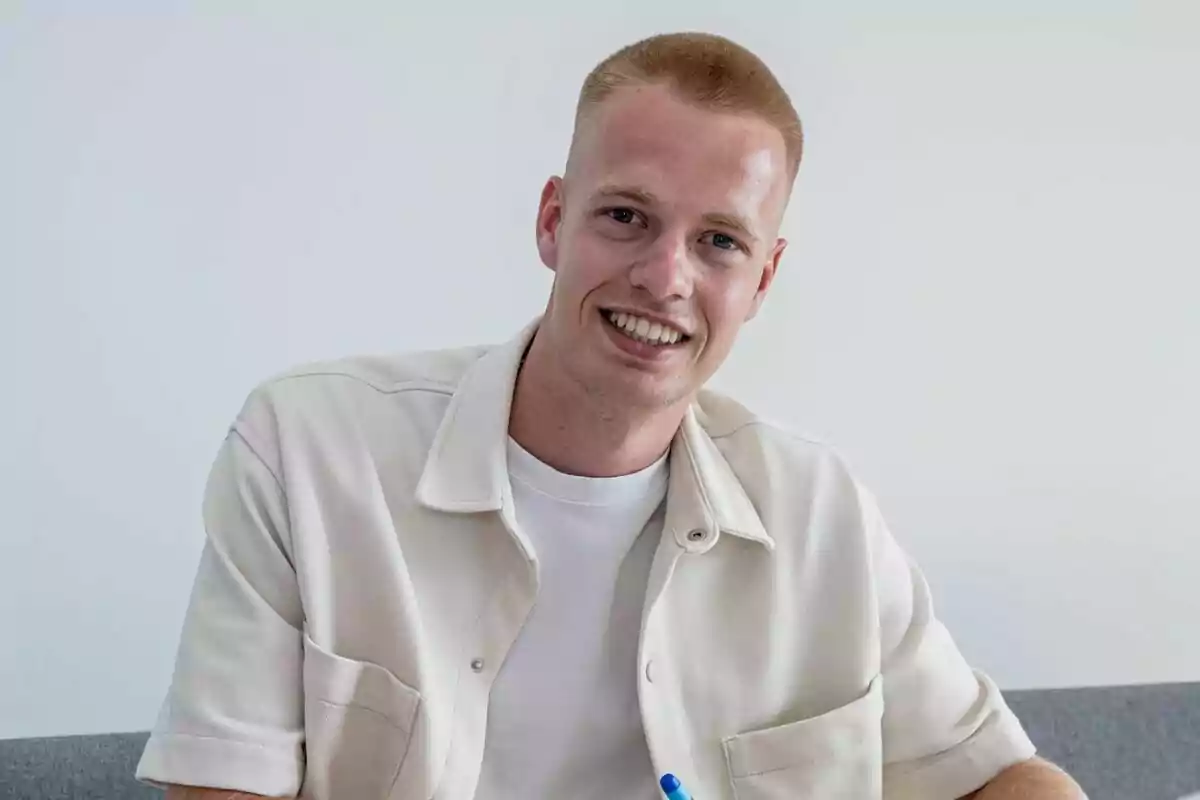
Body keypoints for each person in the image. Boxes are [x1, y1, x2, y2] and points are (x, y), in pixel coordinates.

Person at [137, 31, 1085, 799]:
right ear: (553, 221)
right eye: (626, 217)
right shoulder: (305, 453)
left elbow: (992, 775)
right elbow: (222, 788)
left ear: (763, 279)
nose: (665, 278)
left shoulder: (819, 510)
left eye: (718, 241)